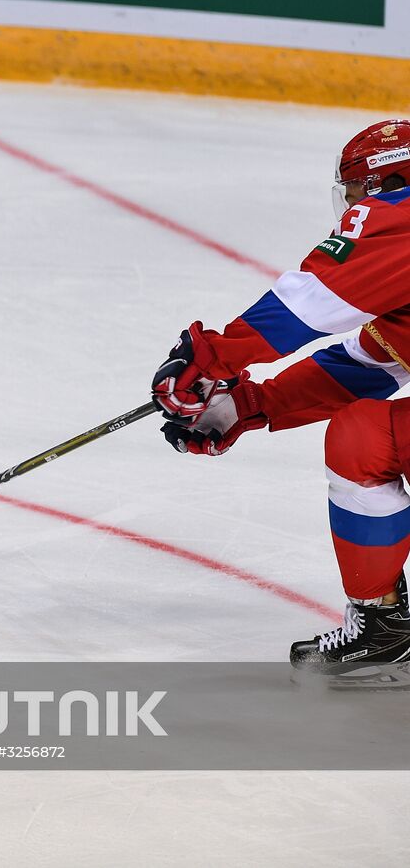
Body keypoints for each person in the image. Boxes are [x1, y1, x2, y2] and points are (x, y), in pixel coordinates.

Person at [151, 119, 410, 685]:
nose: (352, 204)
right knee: (368, 434)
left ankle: (383, 625)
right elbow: (366, 365)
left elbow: (310, 303)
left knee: (364, 442)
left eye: (357, 189)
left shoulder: (401, 215)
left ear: (389, 178)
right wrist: (250, 404)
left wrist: (212, 358)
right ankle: (383, 627)